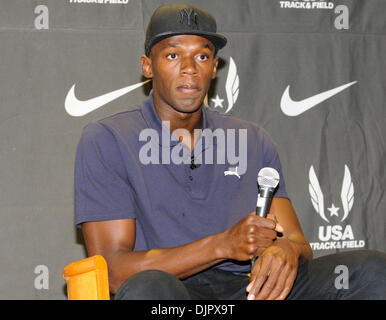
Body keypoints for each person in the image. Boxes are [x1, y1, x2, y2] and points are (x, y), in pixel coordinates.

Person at [74, 4, 386, 300]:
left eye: (202, 57)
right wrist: (222, 245)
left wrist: (286, 251)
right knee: (148, 288)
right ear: (147, 66)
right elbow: (113, 270)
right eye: (172, 55)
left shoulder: (251, 138)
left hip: (249, 287)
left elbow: (297, 241)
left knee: (369, 271)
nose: (188, 69)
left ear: (213, 68)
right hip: (171, 288)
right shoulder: (108, 139)